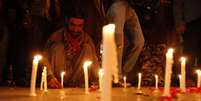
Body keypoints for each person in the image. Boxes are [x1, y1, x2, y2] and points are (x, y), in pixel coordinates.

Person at [42, 13, 100, 88]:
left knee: (87, 48)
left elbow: (94, 61)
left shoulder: (87, 39)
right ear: (67, 22)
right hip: (58, 80)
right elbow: (44, 59)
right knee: (57, 47)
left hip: (78, 81)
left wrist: (99, 79)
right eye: (73, 25)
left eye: (79, 26)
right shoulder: (56, 36)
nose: (76, 29)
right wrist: (49, 77)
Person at [105, 0, 144, 83]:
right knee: (117, 42)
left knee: (139, 42)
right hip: (117, 4)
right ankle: (115, 77)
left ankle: (123, 72)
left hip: (130, 7)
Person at [173, 0, 201, 81]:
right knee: (189, 52)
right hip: (191, 20)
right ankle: (187, 80)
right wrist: (178, 20)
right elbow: (177, 4)